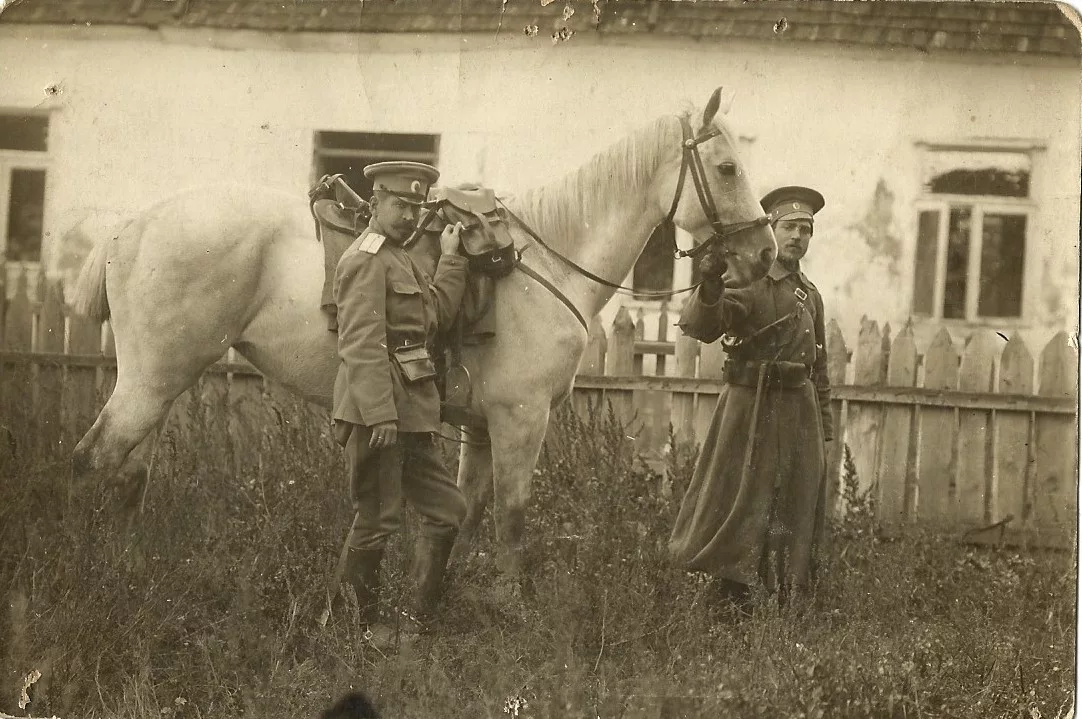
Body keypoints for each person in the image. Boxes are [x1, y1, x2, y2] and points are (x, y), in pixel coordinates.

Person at [668, 185, 834, 615]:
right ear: (772, 232)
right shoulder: (749, 282)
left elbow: (821, 366)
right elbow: (705, 325)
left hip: (799, 413)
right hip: (752, 410)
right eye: (790, 227)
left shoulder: (810, 294)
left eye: (806, 229)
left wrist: (825, 427)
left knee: (794, 504)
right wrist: (708, 286)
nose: (798, 236)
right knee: (742, 501)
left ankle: (782, 597)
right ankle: (730, 597)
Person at [326, 161, 469, 646]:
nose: (409, 215)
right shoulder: (365, 259)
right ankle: (355, 627)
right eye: (399, 204)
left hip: (412, 416)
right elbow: (361, 344)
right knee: (378, 518)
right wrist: (380, 415)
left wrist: (452, 258)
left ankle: (415, 621)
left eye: (415, 206)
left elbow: (437, 318)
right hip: (378, 415)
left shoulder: (402, 259)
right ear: (375, 203)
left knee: (448, 509)